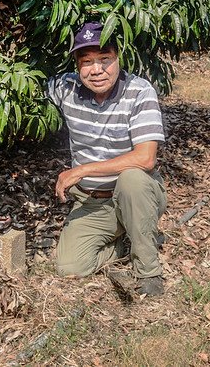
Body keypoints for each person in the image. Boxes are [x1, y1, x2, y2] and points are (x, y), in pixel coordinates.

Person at [46, 21, 167, 296]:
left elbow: (146, 158)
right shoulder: (65, 88)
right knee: (70, 266)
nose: (96, 70)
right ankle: (132, 241)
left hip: (136, 194)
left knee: (132, 178)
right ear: (77, 66)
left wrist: (81, 170)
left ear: (118, 59)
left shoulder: (139, 91)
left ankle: (148, 271)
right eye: (87, 62)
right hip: (93, 202)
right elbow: (25, 90)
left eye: (105, 59)